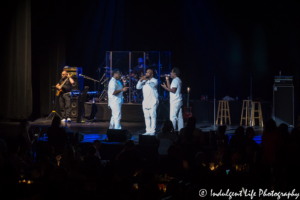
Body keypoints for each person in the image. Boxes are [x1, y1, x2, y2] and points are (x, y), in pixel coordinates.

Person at [136, 68, 159, 135]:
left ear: (152, 74)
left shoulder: (155, 80)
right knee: (146, 116)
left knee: (153, 116)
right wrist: (140, 81)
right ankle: (148, 131)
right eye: (146, 72)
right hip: (145, 102)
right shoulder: (144, 81)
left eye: (148, 72)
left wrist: (146, 80)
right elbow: (138, 87)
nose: (146, 73)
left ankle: (152, 131)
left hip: (153, 101)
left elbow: (153, 85)